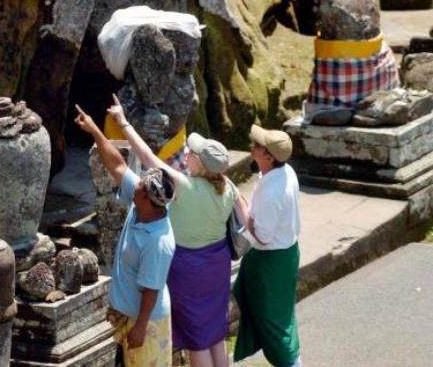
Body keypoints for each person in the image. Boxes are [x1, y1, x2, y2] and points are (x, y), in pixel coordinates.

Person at [106, 94, 246, 367]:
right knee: (215, 332)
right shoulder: (226, 185)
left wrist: (123, 122)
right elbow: (245, 214)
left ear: (200, 165)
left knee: (197, 338)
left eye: (191, 154)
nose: (186, 154)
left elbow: (147, 157)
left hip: (189, 267)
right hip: (217, 264)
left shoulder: (184, 186)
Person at [74, 103, 176, 367]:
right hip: (128, 316)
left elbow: (151, 289)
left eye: (139, 188)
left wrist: (140, 327)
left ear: (148, 200)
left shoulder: (158, 241)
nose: (134, 185)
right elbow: (117, 165)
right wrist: (95, 129)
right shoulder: (143, 202)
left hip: (147, 323)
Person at [233, 125, 302, 367]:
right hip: (281, 257)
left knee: (273, 324)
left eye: (258, 146)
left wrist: (243, 210)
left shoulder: (274, 191)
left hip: (271, 262)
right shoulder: (282, 172)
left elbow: (262, 235)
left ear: (269, 157)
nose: (253, 146)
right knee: (280, 318)